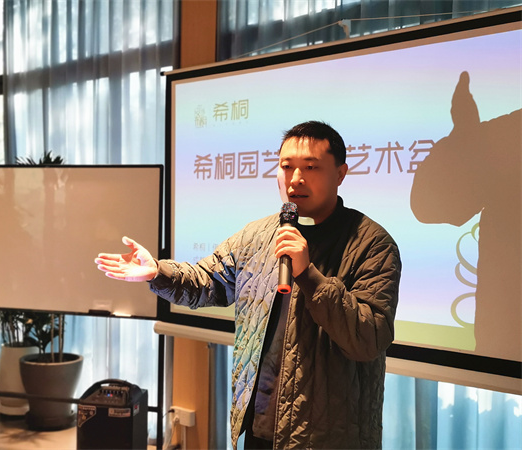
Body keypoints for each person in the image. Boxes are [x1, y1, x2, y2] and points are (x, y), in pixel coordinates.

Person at [95, 120, 401, 449]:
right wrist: (157, 271)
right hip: (259, 425)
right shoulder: (257, 236)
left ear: (340, 174)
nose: (295, 178)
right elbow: (206, 281)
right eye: (287, 166)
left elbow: (369, 339)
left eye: (311, 167)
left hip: (329, 436)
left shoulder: (372, 244)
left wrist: (308, 275)